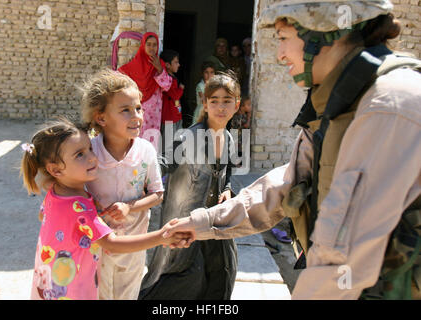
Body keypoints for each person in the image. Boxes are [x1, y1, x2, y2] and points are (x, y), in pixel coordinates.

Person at [163, 0, 421, 300]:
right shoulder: (338, 104)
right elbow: (285, 187)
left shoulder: (388, 105)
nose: (280, 54)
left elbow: (342, 259)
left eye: (284, 38)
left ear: (325, 32)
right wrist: (202, 223)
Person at [21, 118, 189, 300]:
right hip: (72, 291)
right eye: (79, 155)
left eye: (90, 149)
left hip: (48, 284)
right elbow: (112, 244)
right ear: (55, 170)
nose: (92, 157)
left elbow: (42, 216)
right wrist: (161, 236)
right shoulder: (80, 208)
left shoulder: (54, 193)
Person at [139, 73, 241, 300]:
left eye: (227, 101)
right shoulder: (188, 138)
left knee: (222, 272)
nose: (220, 107)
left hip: (214, 222)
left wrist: (226, 189)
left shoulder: (229, 138)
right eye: (214, 101)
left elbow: (227, 172)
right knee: (179, 277)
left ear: (237, 104)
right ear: (204, 104)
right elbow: (162, 163)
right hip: (186, 220)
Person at [80, 69, 167, 300]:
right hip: (97, 244)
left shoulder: (146, 150)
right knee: (99, 294)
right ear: (101, 118)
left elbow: (158, 193)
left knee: (127, 295)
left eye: (138, 108)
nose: (136, 116)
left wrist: (130, 206)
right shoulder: (90, 152)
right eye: (125, 110)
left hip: (133, 244)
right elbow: (76, 189)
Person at [118, 32, 172, 150]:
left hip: (154, 114)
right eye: (149, 44)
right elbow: (120, 77)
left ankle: (147, 167)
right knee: (135, 140)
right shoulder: (134, 65)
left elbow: (167, 86)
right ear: (143, 45)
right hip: (137, 110)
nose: (152, 48)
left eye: (154, 45)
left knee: (150, 144)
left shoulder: (160, 64)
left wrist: (159, 68)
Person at [159, 49, 184, 164]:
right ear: (168, 65)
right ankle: (165, 169)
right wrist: (181, 89)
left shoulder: (172, 77)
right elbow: (175, 95)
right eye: (176, 62)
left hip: (176, 116)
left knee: (175, 142)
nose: (179, 65)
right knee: (167, 145)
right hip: (169, 118)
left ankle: (173, 165)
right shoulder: (167, 79)